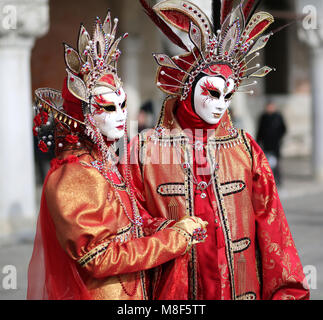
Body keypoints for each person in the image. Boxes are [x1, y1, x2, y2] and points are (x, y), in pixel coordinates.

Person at [128, 0, 310, 300]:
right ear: (188, 87)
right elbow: (130, 225)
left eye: (228, 94)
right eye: (212, 92)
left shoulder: (245, 148)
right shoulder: (144, 151)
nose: (220, 104)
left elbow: (273, 230)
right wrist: (171, 233)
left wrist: (286, 292)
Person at [27, 11, 207, 300]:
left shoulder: (105, 165)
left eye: (123, 105)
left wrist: (171, 226)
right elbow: (100, 257)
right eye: (108, 108)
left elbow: (132, 224)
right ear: (84, 117)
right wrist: (173, 240)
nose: (122, 115)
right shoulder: (73, 176)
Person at [257, 101, 287, 185]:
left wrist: (279, 137)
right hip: (266, 144)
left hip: (275, 144)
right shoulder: (263, 117)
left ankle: (278, 180)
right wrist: (258, 142)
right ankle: (268, 181)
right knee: (266, 164)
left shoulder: (278, 116)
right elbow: (259, 130)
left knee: (276, 163)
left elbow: (284, 129)